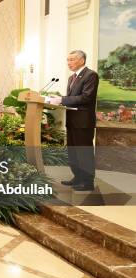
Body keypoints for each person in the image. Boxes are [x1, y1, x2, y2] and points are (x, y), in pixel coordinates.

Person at [46, 50, 99, 191]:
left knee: (84, 152)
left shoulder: (91, 75)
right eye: (67, 60)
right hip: (72, 120)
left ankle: (87, 182)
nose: (69, 62)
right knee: (73, 152)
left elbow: (86, 97)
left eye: (72, 59)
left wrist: (62, 99)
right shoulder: (72, 78)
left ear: (82, 60)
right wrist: (57, 99)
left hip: (83, 122)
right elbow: (73, 98)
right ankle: (77, 177)